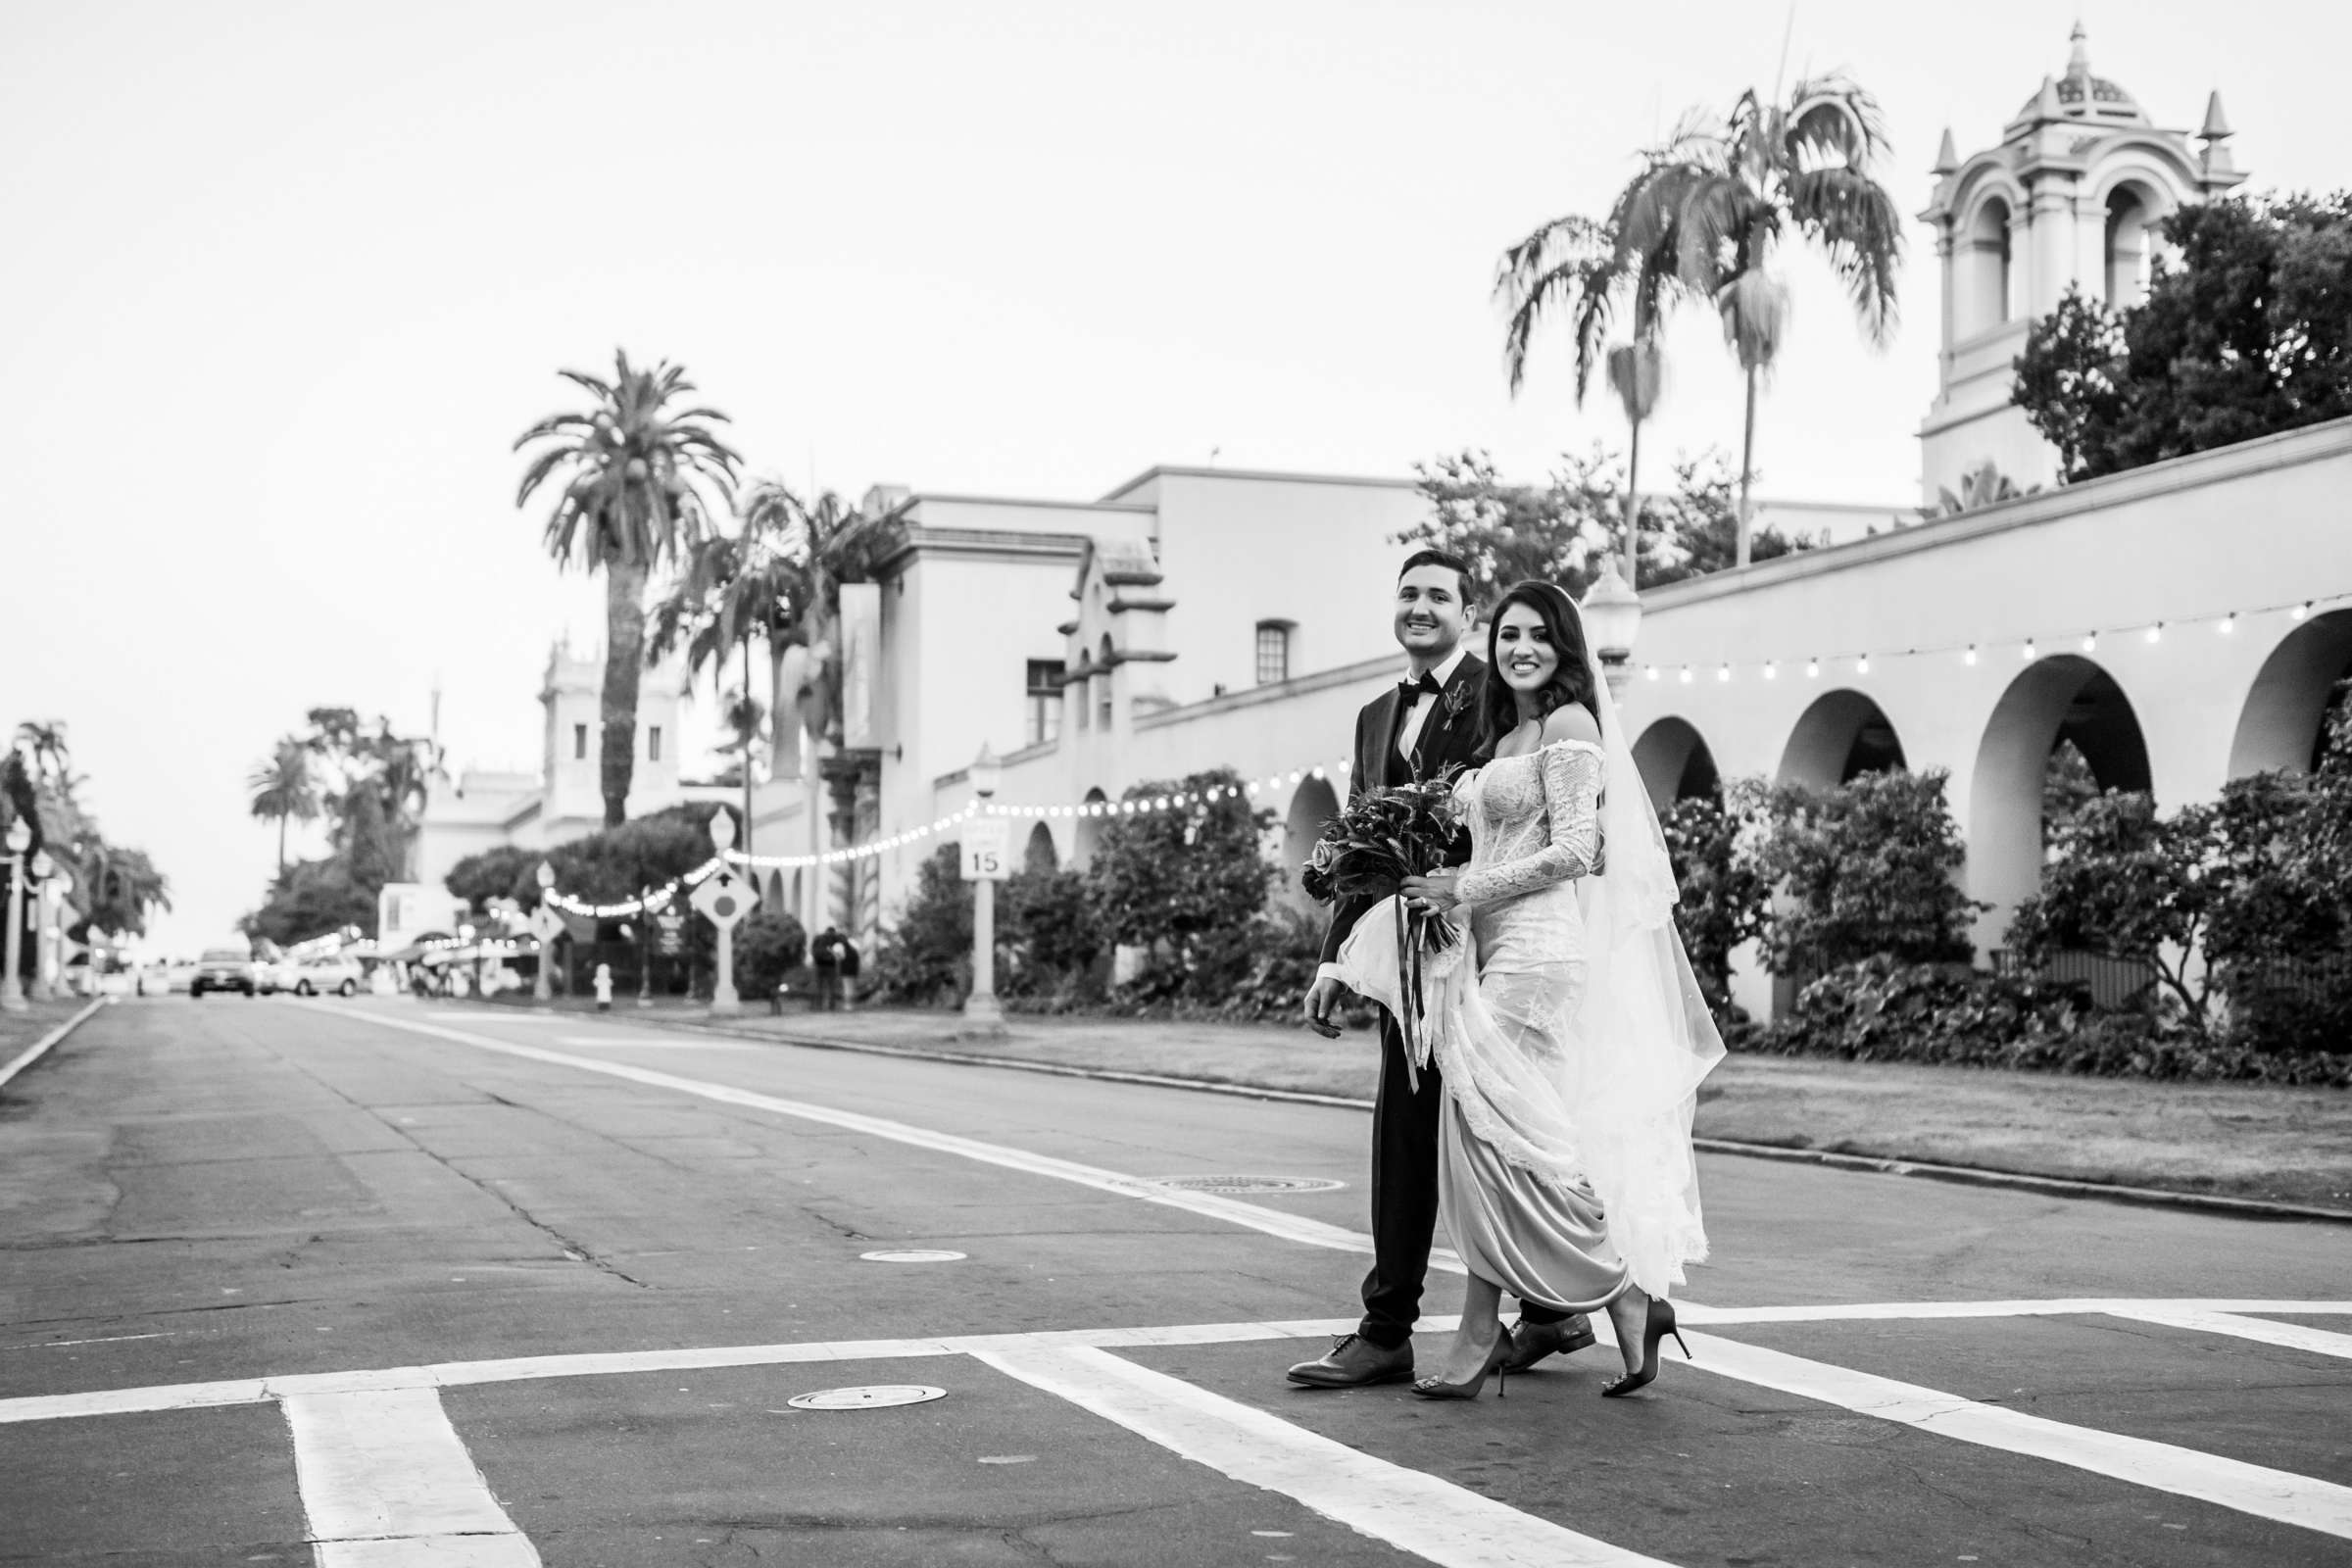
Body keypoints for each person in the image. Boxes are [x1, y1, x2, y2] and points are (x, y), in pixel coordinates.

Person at [1358, 579, 1723, 1400]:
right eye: (1509, 635)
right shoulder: (1511, 729)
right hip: (1491, 954)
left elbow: (1577, 851)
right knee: (1515, 1139)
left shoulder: (1569, 724)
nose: (1520, 648)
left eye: (1538, 636)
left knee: (1491, 1137)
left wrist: (1467, 891)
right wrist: (1451, 879)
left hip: (1539, 955)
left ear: (1565, 646)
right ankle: (1631, 1297)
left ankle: (1483, 1331)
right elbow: (1503, 844)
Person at [1288, 551, 1596, 1392]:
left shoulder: (1501, 705)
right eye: (1409, 594)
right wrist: (1337, 962)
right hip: (1408, 958)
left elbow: (1534, 829)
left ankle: (1554, 1301)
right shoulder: (1371, 715)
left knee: (1490, 1130)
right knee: (1409, 1136)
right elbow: (1363, 849)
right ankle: (1413, 1325)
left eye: (1439, 597)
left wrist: (1463, 892)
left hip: (1483, 948)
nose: (1421, 608)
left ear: (1469, 615)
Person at [811, 926, 843, 1011]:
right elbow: (840, 951)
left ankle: (819, 1006)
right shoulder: (835, 939)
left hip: (819, 965)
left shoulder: (818, 938)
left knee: (819, 987)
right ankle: (831, 1006)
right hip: (830, 966)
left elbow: (813, 950)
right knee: (831, 987)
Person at [837, 933, 861, 1011]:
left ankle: (848, 1006)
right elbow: (857, 962)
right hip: (853, 972)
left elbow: (840, 960)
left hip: (845, 973)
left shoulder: (842, 951)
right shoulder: (854, 951)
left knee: (847, 989)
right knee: (852, 989)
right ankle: (852, 1005)